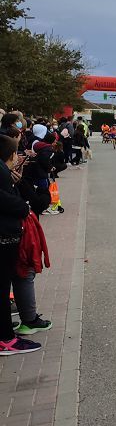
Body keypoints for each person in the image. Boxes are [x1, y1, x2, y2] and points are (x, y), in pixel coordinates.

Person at [0, 135, 40, 356]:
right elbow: (8, 200)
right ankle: (6, 339)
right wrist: (23, 206)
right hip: (5, 236)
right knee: (3, 287)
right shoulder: (2, 171)